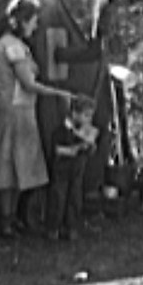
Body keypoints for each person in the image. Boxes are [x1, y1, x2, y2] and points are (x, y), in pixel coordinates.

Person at [0, 0, 72, 238]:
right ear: (20, 22)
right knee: (7, 168)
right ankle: (6, 222)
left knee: (17, 170)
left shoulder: (18, 46)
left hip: (20, 112)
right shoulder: (10, 46)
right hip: (11, 114)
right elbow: (28, 83)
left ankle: (12, 219)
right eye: (33, 21)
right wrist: (59, 93)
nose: (35, 26)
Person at [45, 94, 98, 241]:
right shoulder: (61, 131)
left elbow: (89, 151)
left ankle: (71, 227)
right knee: (58, 197)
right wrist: (75, 148)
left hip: (77, 170)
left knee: (75, 198)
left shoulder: (86, 132)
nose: (89, 120)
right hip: (62, 169)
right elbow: (57, 150)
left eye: (90, 116)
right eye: (86, 115)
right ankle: (53, 227)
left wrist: (89, 147)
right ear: (75, 113)